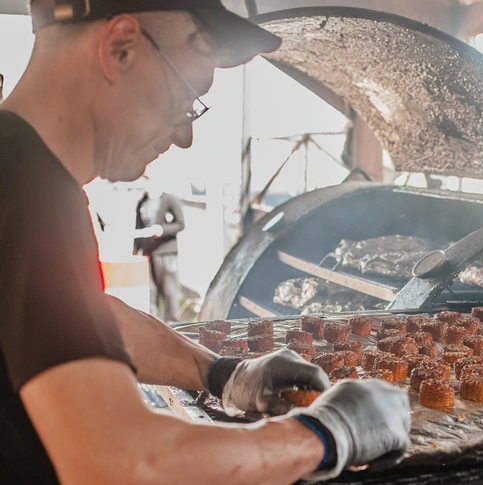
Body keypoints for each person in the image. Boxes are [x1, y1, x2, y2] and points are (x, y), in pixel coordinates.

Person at [0, 1, 411, 484]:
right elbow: (118, 464)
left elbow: (75, 317)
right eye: (186, 97)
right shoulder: (32, 192)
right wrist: (324, 435)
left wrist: (221, 373)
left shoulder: (16, 169)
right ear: (120, 48)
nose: (186, 135)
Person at [135, 178, 185, 323]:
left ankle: (173, 325)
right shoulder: (142, 202)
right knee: (150, 292)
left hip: (166, 254)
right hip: (148, 254)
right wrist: (136, 251)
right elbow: (138, 227)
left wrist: (162, 230)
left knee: (170, 293)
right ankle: (154, 324)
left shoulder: (169, 200)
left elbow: (180, 224)